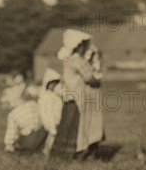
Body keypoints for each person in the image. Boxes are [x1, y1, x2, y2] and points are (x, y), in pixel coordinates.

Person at [41, 29, 103, 159]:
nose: (87, 47)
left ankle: (63, 152)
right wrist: (97, 79)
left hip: (70, 95)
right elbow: (90, 78)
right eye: (85, 44)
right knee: (82, 126)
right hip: (79, 96)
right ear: (79, 46)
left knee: (68, 125)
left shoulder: (68, 60)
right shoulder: (78, 60)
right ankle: (82, 151)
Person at [3, 83, 47, 153]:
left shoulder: (12, 115)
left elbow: (11, 133)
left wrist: (9, 144)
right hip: (42, 137)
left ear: (11, 103)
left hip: (28, 140)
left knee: (19, 141)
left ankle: (14, 147)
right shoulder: (33, 104)